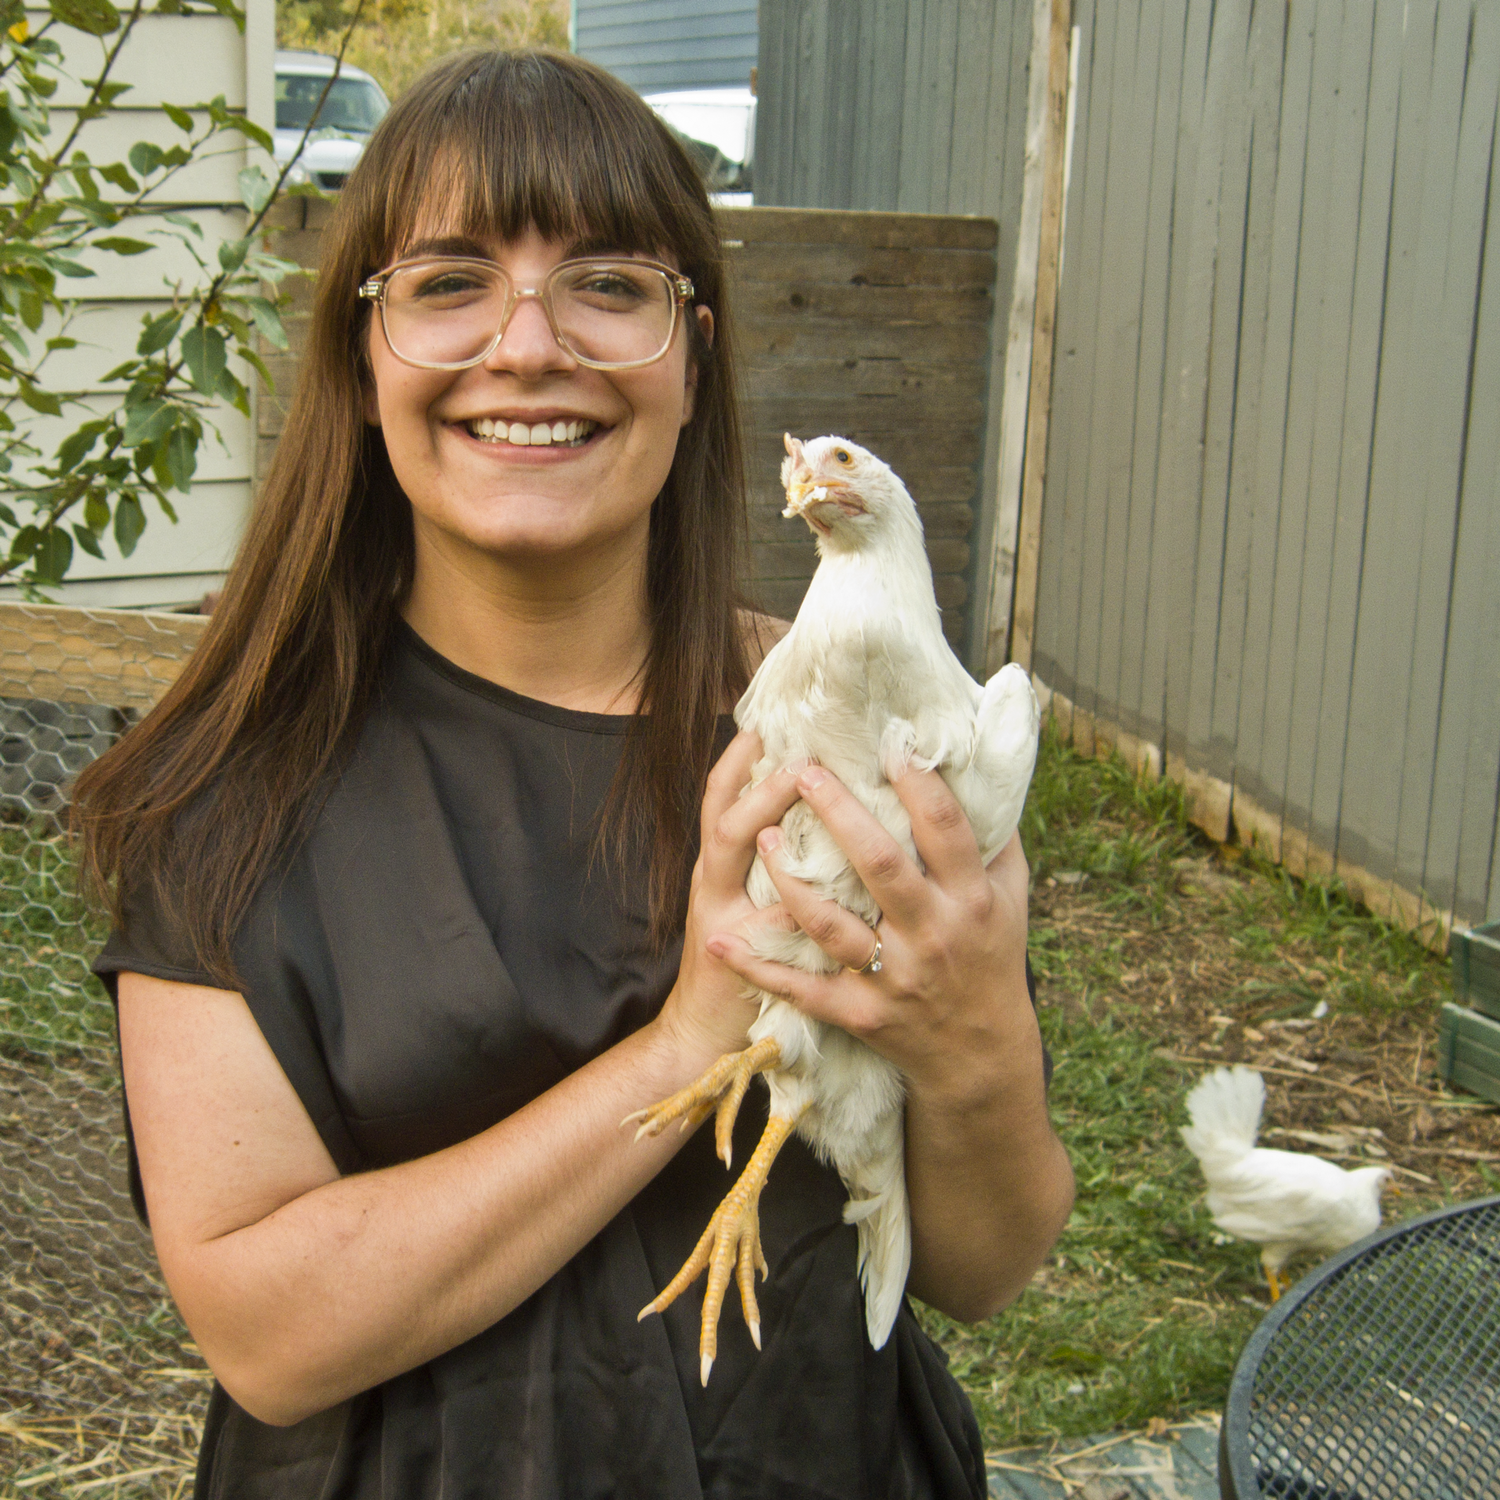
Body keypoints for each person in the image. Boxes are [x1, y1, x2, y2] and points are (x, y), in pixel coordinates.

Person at [74, 48, 1073, 1500]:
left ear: (692, 357)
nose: (529, 345)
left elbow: (983, 1268)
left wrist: (974, 1046)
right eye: (449, 282)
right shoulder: (229, 783)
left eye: (608, 283)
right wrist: (685, 1043)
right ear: (363, 358)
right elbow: (270, 1338)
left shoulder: (873, 734)